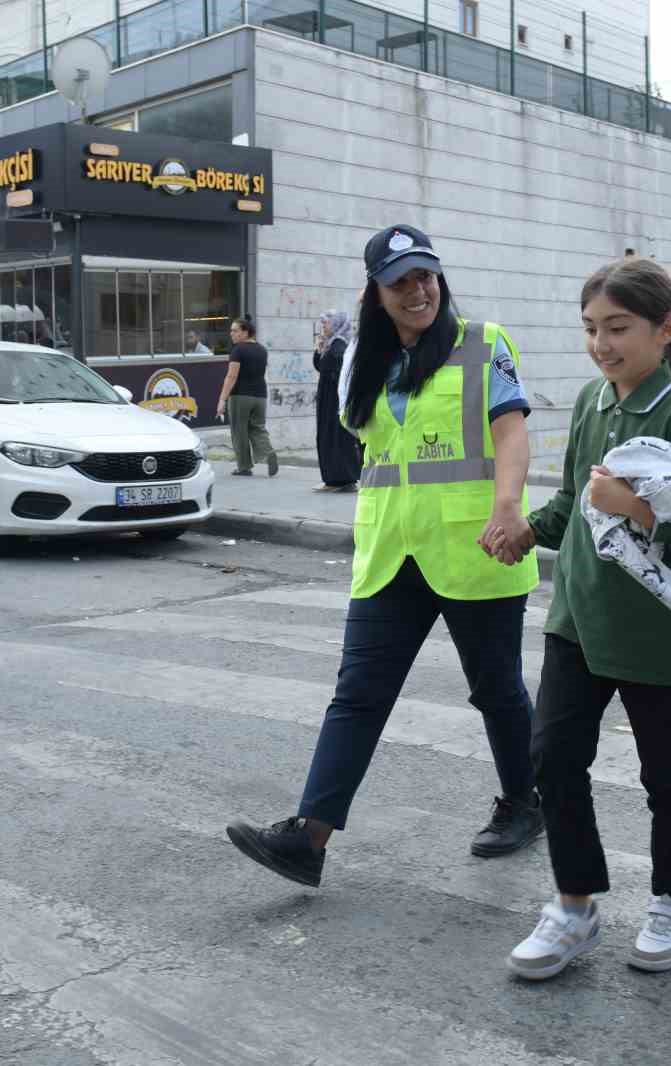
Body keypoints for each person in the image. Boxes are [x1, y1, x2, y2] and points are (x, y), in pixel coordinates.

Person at [224, 224, 543, 889]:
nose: (417, 290)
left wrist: (509, 506)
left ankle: (525, 802)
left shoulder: (483, 344)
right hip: (390, 553)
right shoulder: (359, 360)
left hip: (474, 546)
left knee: (497, 690)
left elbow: (510, 432)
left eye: (425, 276)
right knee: (358, 693)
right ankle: (309, 837)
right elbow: (371, 447)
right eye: (400, 281)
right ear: (376, 291)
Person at [503, 257, 671, 981]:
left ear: (665, 330)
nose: (602, 344)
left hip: (657, 631)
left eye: (618, 329)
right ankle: (575, 905)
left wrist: (635, 508)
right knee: (553, 757)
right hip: (576, 616)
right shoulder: (590, 401)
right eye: (592, 330)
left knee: (667, 775)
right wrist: (525, 530)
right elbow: (576, 500)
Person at [216, 316, 278, 477]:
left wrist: (222, 399)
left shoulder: (238, 350)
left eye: (235, 331)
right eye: (231, 331)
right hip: (260, 396)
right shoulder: (262, 350)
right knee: (258, 427)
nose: (231, 334)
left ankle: (244, 467)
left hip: (240, 396)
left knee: (239, 431)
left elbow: (231, 377)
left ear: (245, 332)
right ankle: (268, 451)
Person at [312, 309, 362, 492]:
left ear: (336, 324)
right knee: (327, 437)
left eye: (326, 323)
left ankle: (342, 479)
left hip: (333, 400)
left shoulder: (339, 346)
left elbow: (340, 374)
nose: (322, 327)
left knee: (336, 439)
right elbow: (320, 367)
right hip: (328, 398)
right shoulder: (331, 344)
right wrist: (319, 350)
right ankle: (332, 479)